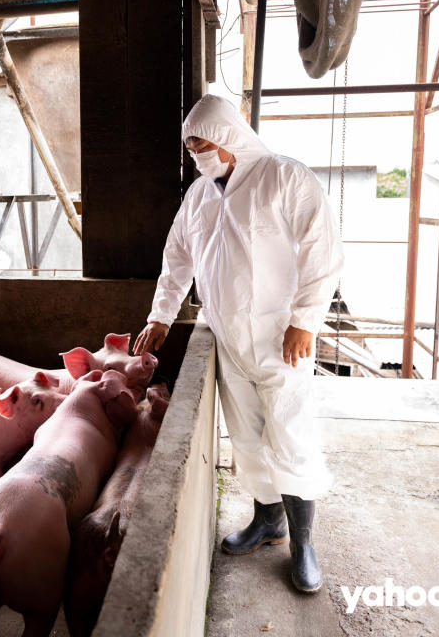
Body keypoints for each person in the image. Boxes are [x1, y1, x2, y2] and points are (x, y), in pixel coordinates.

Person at [133, 94, 343, 594]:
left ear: (227, 137)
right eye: (190, 149)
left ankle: (304, 544)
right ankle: (267, 521)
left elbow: (323, 248)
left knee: (289, 434)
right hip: (229, 339)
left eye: (201, 144)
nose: (196, 155)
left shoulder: (284, 177)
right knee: (247, 438)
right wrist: (161, 315)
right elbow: (178, 255)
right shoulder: (200, 195)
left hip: (281, 340)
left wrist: (306, 320)